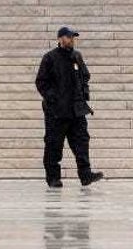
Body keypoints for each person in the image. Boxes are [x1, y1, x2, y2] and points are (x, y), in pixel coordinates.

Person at [35, 26, 103, 188]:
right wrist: (53, 99)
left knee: (82, 143)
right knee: (54, 145)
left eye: (73, 37)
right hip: (57, 112)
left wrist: (83, 95)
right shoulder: (49, 58)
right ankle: (53, 178)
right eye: (68, 37)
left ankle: (86, 175)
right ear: (60, 39)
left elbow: (85, 76)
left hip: (77, 111)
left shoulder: (77, 56)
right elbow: (41, 82)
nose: (71, 39)